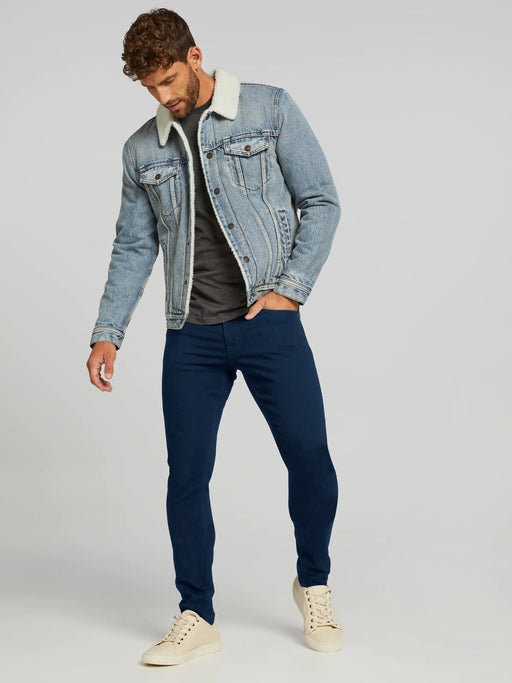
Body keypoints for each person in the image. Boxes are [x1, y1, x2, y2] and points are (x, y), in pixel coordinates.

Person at [86, 8, 344, 667]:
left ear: (195, 57)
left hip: (267, 324)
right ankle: (196, 613)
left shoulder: (268, 108)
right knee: (187, 476)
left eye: (168, 79)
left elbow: (321, 201)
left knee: (310, 457)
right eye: (149, 87)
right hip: (191, 335)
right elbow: (134, 245)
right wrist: (109, 332)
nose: (162, 96)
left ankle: (313, 582)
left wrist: (290, 289)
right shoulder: (142, 150)